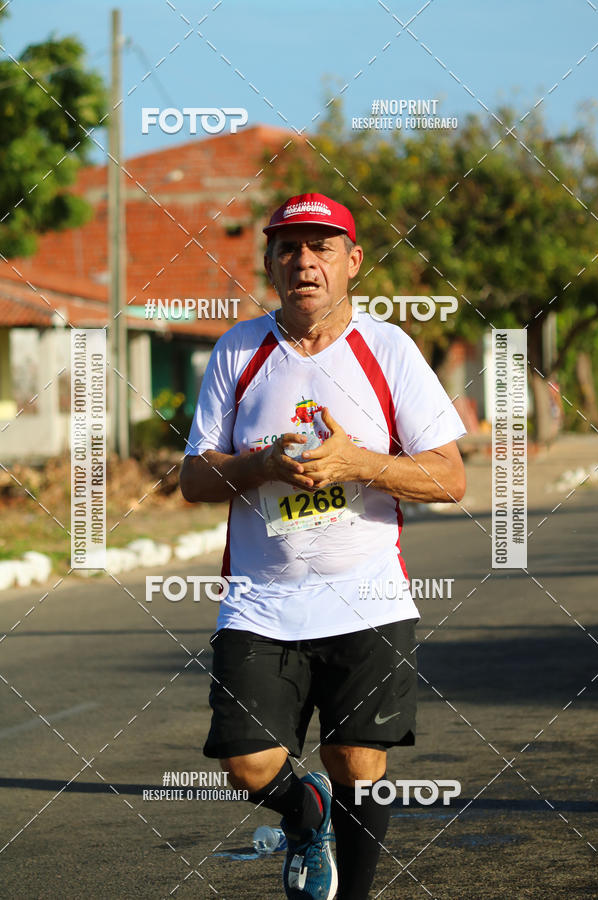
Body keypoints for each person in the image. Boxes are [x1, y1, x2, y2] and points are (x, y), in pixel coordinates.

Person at [180, 192, 466, 899]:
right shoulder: (238, 350)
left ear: (353, 262)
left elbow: (450, 477)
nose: (304, 261)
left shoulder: (389, 348)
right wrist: (264, 466)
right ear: (271, 262)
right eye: (289, 248)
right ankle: (305, 816)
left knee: (357, 760)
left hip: (368, 596)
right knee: (247, 764)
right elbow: (193, 477)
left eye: (322, 248)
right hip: (260, 599)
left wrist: (358, 463)